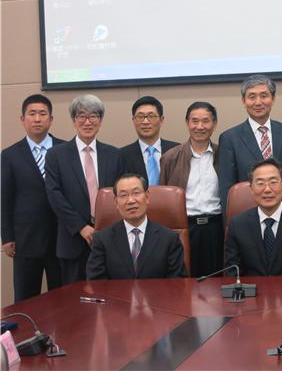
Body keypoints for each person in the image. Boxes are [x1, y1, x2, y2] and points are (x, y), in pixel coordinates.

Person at [45, 94, 124, 285]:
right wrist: (81, 227)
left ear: (100, 120)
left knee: (111, 294)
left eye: (93, 116)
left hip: (109, 239)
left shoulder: (114, 154)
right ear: (74, 120)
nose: (87, 122)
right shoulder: (56, 155)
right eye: (81, 116)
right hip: (72, 240)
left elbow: (121, 194)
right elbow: (54, 195)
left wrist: (103, 229)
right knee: (73, 297)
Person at [1, 95, 62, 301]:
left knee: (63, 299)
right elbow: (5, 198)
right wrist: (7, 236)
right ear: (22, 119)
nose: (37, 119)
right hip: (25, 239)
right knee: (25, 300)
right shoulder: (9, 155)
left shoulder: (65, 149)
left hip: (61, 237)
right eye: (32, 114)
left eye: (42, 114)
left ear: (51, 119)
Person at [224, 158, 282, 276]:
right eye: (260, 183)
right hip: (251, 288)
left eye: (273, 182)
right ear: (251, 189)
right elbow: (233, 272)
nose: (267, 189)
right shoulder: (237, 225)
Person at [160, 102, 223, 277]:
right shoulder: (170, 158)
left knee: (217, 280)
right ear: (187, 123)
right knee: (185, 279)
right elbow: (164, 199)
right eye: (194, 121)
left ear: (214, 124)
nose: (200, 126)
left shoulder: (224, 154)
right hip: (184, 229)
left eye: (206, 121)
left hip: (216, 228)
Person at [218, 74, 282, 210]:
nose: (258, 102)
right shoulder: (229, 138)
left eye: (264, 96)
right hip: (246, 213)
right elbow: (227, 188)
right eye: (252, 97)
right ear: (243, 101)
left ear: (273, 99)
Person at [86, 173, 187, 279]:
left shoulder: (169, 238)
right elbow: (96, 282)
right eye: (123, 195)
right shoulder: (102, 240)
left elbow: (178, 282)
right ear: (116, 202)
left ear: (147, 197)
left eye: (136, 193)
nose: (131, 201)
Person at [121, 96, 178, 185]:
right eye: (140, 117)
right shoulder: (122, 155)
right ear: (133, 120)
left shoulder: (177, 151)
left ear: (162, 120)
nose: (145, 122)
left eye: (151, 116)